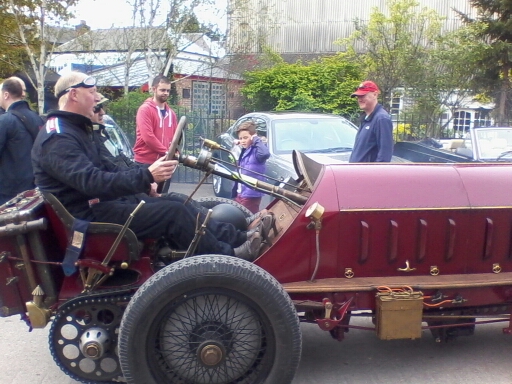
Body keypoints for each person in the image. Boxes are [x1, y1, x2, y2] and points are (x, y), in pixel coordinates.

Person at [31, 72, 264, 261]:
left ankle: (238, 237)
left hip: (103, 206)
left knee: (174, 200)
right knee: (173, 213)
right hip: (90, 217)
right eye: (91, 93)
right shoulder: (58, 138)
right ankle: (229, 257)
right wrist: (146, 175)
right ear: (73, 95)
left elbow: (110, 169)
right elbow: (93, 182)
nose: (96, 99)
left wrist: (143, 185)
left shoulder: (76, 130)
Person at [0, 77, 44, 204]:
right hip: (35, 189)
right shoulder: (38, 118)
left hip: (9, 193)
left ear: (6, 94)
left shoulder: (5, 121)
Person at [133, 75, 177, 166]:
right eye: (162, 90)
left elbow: (176, 138)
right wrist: (167, 153)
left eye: (168, 90)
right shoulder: (145, 110)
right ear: (154, 89)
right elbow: (148, 137)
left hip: (164, 162)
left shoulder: (171, 114)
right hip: (145, 163)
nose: (166, 93)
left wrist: (175, 153)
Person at [349, 80, 393, 163]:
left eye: (363, 96)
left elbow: (385, 155)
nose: (359, 99)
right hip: (357, 173)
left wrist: (374, 174)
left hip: (368, 174)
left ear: (375, 94)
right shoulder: (366, 118)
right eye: (358, 97)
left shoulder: (381, 119)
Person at [232, 121, 270, 213]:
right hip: (241, 191)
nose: (243, 140)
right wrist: (238, 145)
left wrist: (256, 139)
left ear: (253, 137)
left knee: (247, 217)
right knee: (236, 215)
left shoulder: (257, 151)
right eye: (240, 138)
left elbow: (265, 154)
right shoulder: (245, 150)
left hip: (251, 193)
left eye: (245, 138)